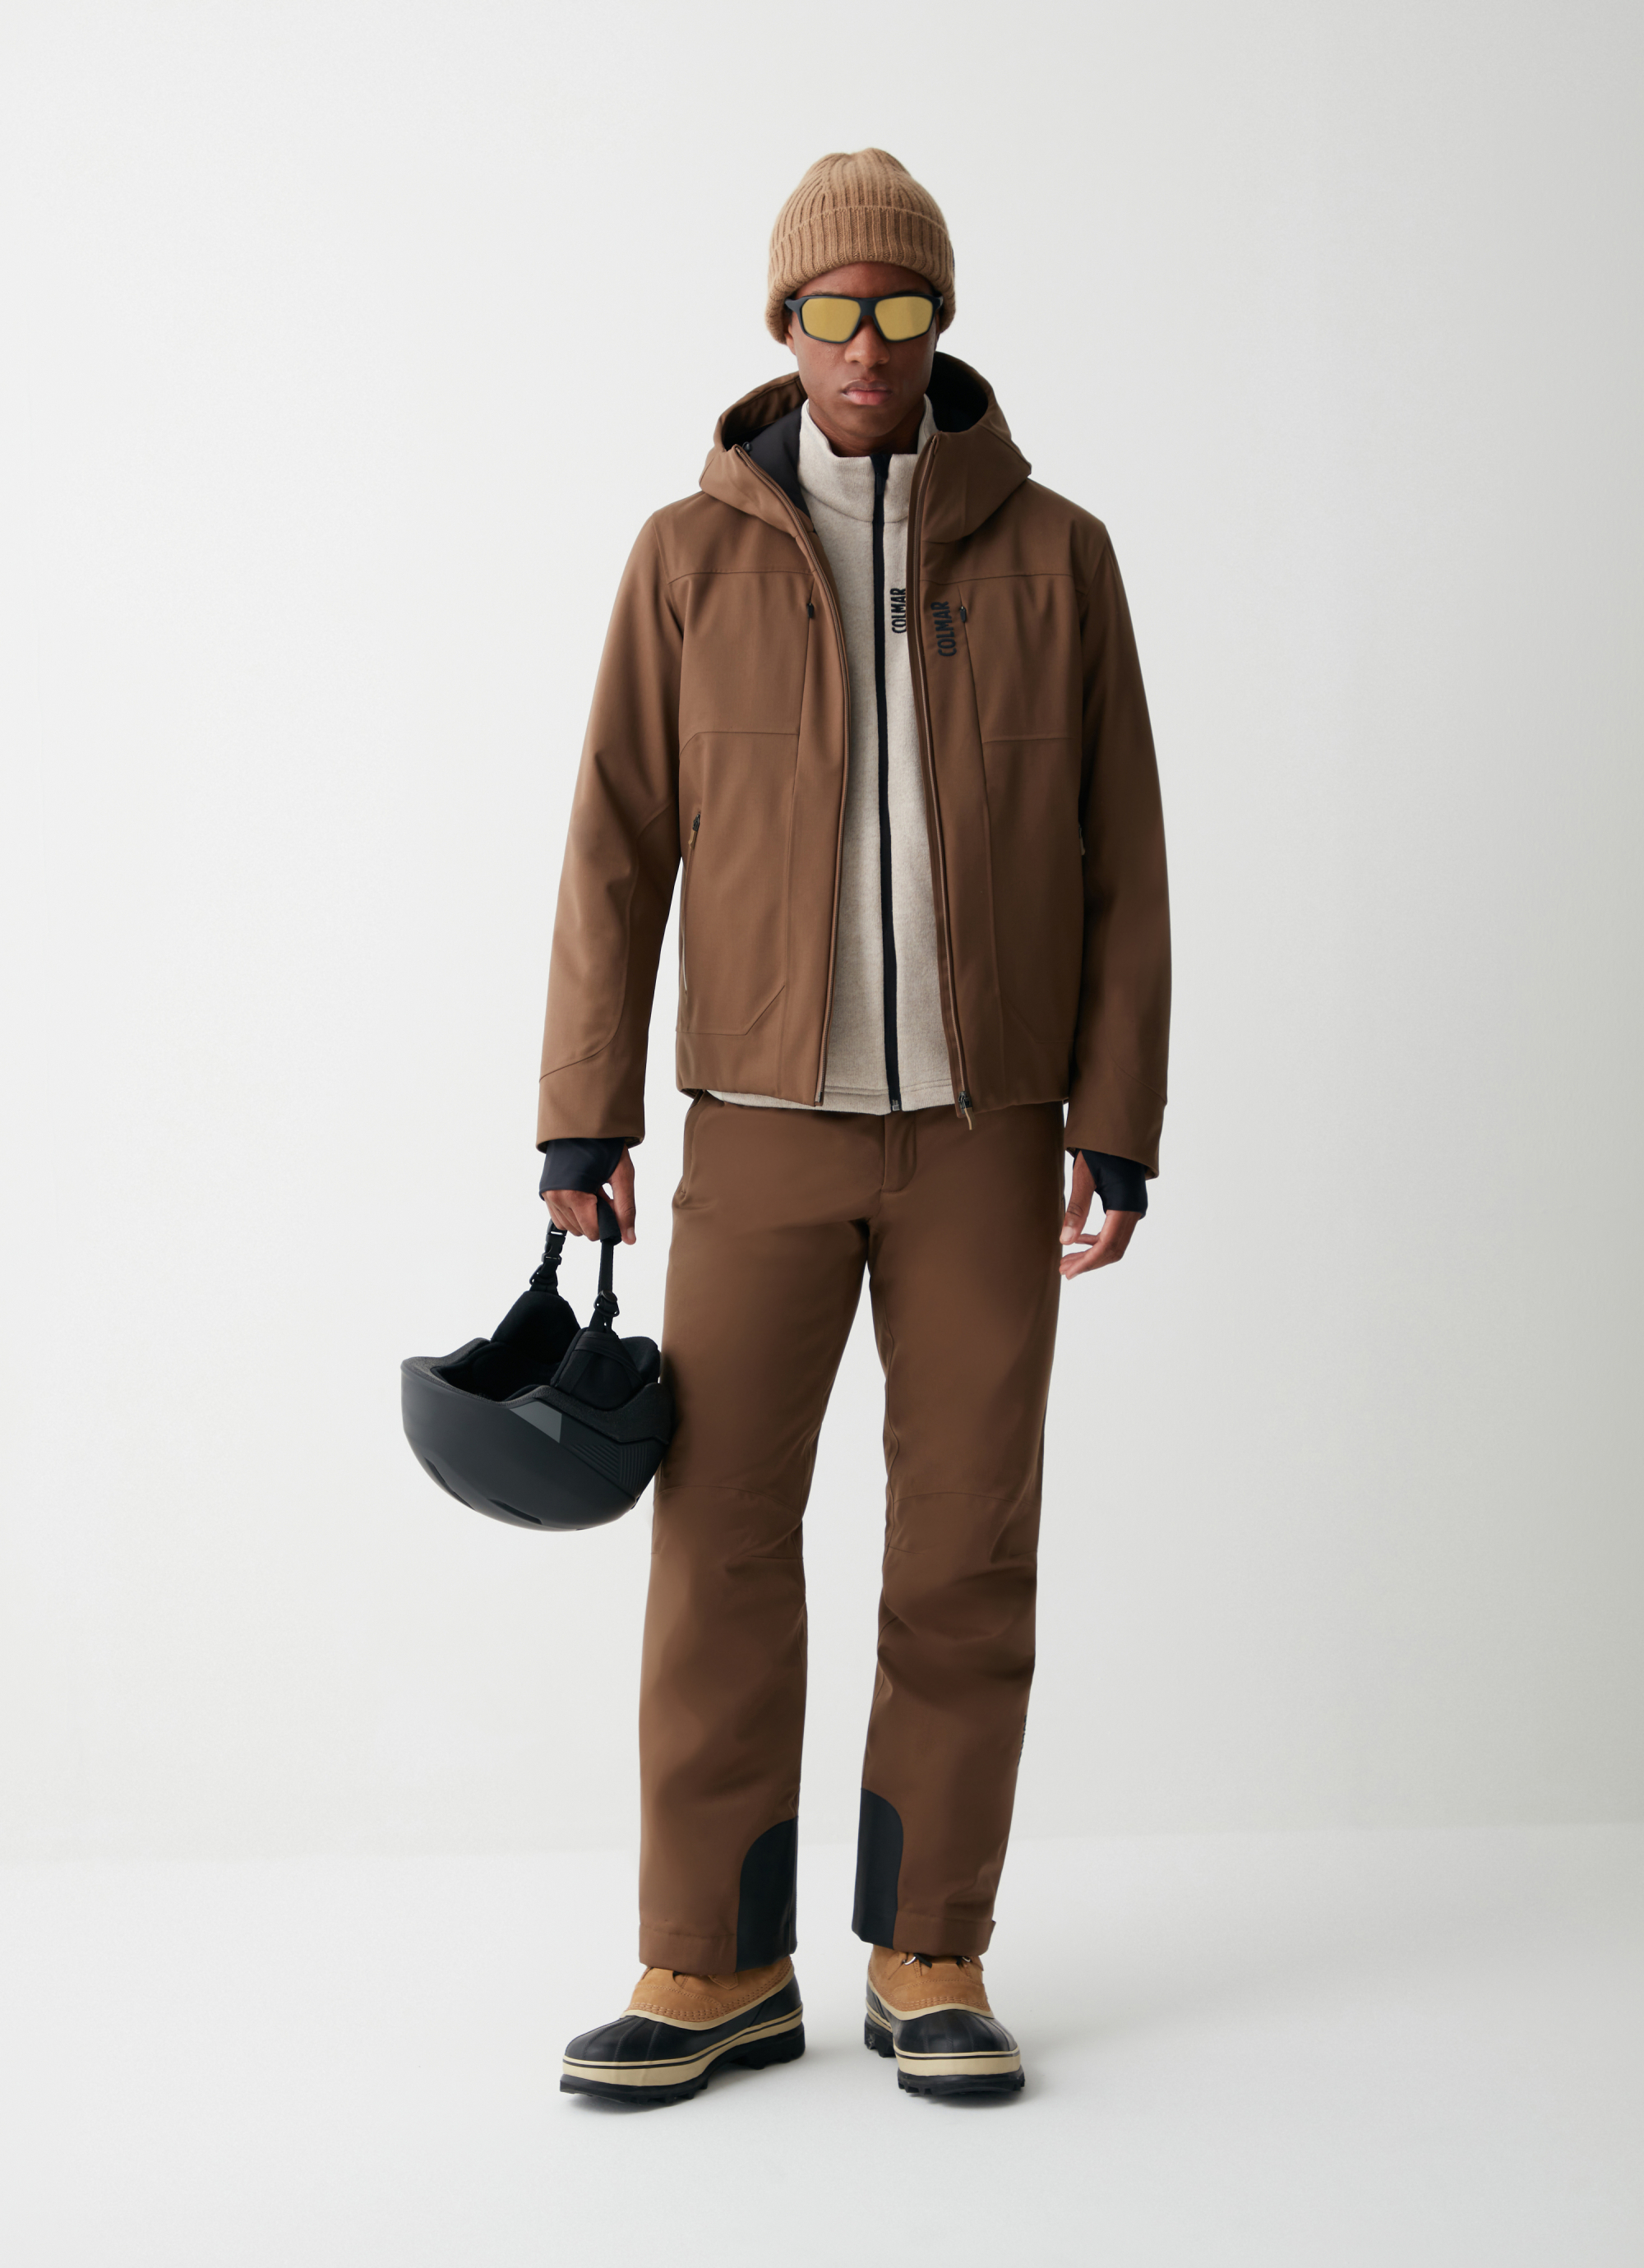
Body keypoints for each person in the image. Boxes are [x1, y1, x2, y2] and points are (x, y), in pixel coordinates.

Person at [538, 150, 1170, 2104]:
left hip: (987, 1134)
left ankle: (929, 1952)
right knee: (718, 1544)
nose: (866, 343)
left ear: (938, 324)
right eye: (832, 309)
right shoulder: (686, 558)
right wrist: (581, 1118)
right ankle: (711, 1965)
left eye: (900, 307)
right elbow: (613, 848)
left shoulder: (1059, 557)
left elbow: (1125, 863)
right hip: (756, 1132)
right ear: (784, 327)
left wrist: (1116, 1120)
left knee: (966, 1546)